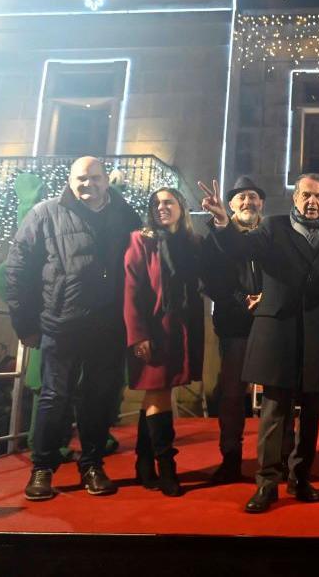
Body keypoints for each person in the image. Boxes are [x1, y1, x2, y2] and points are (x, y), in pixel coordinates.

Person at [201, 173, 319, 514]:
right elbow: (240, 247)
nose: (313, 202)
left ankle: (301, 477)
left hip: (318, 330)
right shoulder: (273, 227)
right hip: (278, 330)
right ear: (295, 198)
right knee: (274, 410)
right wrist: (224, 223)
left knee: (312, 411)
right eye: (307, 195)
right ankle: (267, 483)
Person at [3, 156, 142, 501]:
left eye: (95, 178)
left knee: (99, 399)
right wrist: (25, 324)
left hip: (108, 325)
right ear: (70, 180)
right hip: (60, 323)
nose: (88, 184)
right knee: (53, 397)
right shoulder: (44, 213)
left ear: (106, 180)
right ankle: (42, 468)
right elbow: (18, 270)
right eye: (81, 178)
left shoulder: (125, 215)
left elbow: (142, 266)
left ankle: (92, 464)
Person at [122, 188, 206, 497]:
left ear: (182, 208)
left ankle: (144, 464)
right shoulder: (141, 240)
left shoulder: (193, 244)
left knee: (155, 396)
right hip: (154, 330)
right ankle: (167, 467)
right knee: (159, 393)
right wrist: (138, 334)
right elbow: (131, 290)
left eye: (168, 202)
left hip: (182, 329)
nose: (161, 207)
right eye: (155, 203)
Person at [203, 175, 266, 485]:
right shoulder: (215, 237)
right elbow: (212, 281)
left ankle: (275, 458)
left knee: (277, 395)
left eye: (252, 197)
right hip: (235, 324)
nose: (247, 202)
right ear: (230, 205)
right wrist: (243, 300)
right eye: (241, 197)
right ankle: (230, 458)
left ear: (261, 204)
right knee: (231, 394)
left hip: (270, 324)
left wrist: (268, 298)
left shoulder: (270, 235)